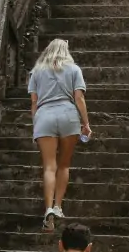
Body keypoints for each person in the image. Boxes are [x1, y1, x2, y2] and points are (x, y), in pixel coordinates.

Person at [27, 37, 90, 235]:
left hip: (44, 116)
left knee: (49, 166)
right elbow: (79, 98)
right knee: (64, 165)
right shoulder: (74, 70)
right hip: (68, 115)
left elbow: (34, 103)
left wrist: (35, 124)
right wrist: (86, 123)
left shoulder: (36, 72)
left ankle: (47, 210)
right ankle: (58, 206)